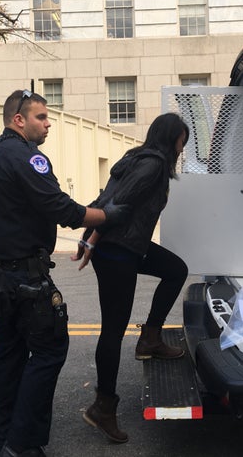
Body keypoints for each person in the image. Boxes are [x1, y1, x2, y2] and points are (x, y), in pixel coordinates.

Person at [0, 90, 130, 457]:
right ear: (19, 120)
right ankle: (21, 443)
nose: (48, 124)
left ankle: (5, 443)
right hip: (20, 279)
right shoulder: (26, 156)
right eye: (41, 117)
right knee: (49, 349)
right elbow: (63, 210)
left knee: (8, 357)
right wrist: (109, 216)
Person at [73, 112, 190, 444]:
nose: (183, 146)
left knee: (175, 270)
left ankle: (151, 338)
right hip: (117, 253)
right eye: (182, 139)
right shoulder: (152, 165)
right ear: (172, 138)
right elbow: (116, 204)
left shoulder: (136, 158)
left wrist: (90, 238)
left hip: (128, 247)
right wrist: (90, 239)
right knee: (112, 331)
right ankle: (103, 407)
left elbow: (107, 197)